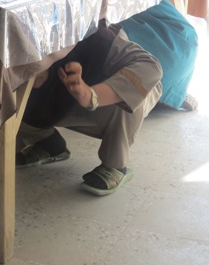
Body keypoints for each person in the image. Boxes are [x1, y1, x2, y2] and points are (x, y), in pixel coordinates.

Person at [15, 18, 163, 196]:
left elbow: (150, 66)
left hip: (101, 99)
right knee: (6, 110)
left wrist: (90, 95)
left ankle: (114, 164)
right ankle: (48, 143)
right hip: (61, 102)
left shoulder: (97, 39)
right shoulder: (9, 57)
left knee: (130, 94)